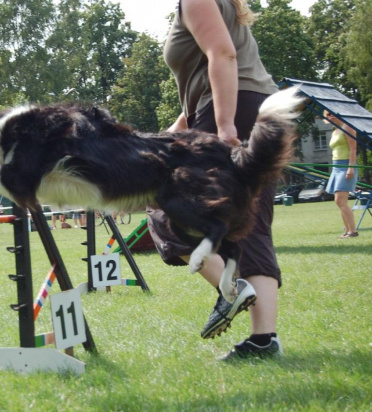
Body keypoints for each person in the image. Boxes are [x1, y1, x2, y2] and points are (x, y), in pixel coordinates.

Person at [148, 0, 282, 360]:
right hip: (260, 107)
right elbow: (206, 68)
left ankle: (233, 287)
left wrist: (224, 127)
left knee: (166, 204)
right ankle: (263, 339)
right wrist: (179, 128)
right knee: (248, 223)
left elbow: (222, 54)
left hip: (232, 106)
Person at [324, 111, 359, 238]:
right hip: (336, 166)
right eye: (328, 115)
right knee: (338, 202)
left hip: (346, 165)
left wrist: (351, 168)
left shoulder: (347, 127)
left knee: (341, 200)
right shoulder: (334, 131)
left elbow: (353, 149)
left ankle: (353, 231)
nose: (330, 116)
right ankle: (347, 231)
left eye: (333, 114)